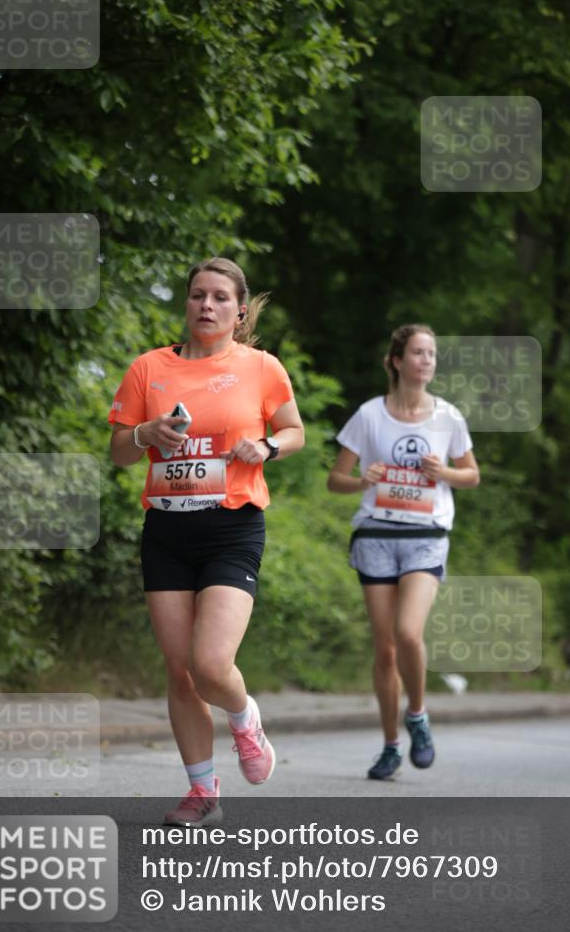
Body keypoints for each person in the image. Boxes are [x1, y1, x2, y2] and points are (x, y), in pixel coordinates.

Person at [109, 257, 304, 824]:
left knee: (211, 664)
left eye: (220, 297)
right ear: (187, 302)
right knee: (178, 671)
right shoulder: (148, 368)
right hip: (167, 530)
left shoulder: (262, 368)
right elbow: (120, 451)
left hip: (231, 526)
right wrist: (144, 433)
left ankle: (244, 718)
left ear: (239, 309)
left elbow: (294, 431)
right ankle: (203, 791)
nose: (207, 306)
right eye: (198, 295)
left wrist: (266, 447)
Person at [327, 324, 479, 780]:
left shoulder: (447, 417)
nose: (427, 360)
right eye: (418, 352)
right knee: (386, 649)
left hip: (425, 536)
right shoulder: (370, 415)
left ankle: (418, 715)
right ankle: (392, 745)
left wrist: (444, 473)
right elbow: (336, 481)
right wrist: (363, 481)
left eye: (431, 353)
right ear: (396, 361)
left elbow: (471, 474)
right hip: (376, 535)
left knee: (409, 633)